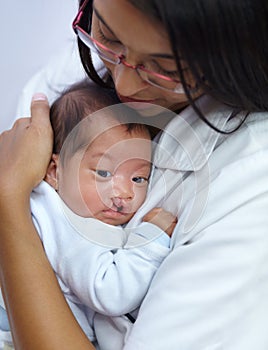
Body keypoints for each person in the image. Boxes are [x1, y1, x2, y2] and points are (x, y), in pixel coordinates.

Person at [0, 0, 268, 349]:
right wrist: (8, 197)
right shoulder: (79, 70)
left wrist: (9, 201)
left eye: (164, 70)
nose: (123, 86)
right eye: (108, 38)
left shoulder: (249, 190)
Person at [0, 81, 176, 348]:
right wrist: (153, 240)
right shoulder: (74, 225)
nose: (124, 192)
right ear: (54, 171)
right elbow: (110, 292)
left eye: (139, 178)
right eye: (103, 173)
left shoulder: (42, 201)